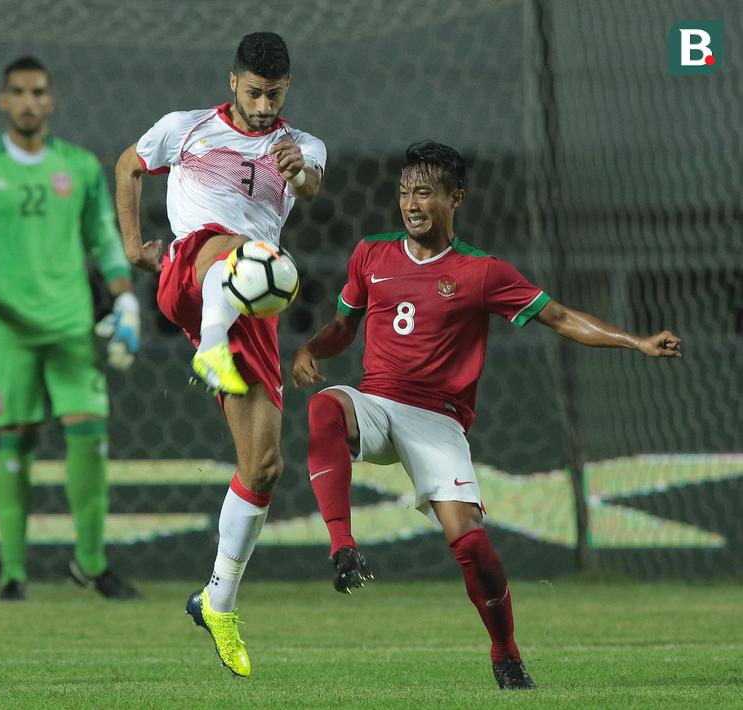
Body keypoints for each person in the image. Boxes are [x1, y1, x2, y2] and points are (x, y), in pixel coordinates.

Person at [292, 141, 681, 689]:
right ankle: (342, 546)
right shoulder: (370, 254)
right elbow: (343, 327)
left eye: (424, 193)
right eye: (404, 192)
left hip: (437, 420)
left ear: (456, 198)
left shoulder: (482, 272)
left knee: (471, 544)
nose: (410, 203)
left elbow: (564, 318)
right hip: (376, 403)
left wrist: (635, 341)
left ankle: (506, 651)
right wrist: (311, 348)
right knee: (325, 408)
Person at [114, 32, 326, 677]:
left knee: (263, 466)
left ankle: (219, 600)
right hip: (191, 265)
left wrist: (302, 174)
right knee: (238, 245)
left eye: (276, 93)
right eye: (255, 91)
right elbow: (128, 164)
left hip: (251, 308)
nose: (264, 105)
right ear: (232, 82)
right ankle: (208, 347)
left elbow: (313, 186)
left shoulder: (302, 146)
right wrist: (130, 246)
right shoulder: (186, 129)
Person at [0, 56, 141, 601]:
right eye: (18, 91)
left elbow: (103, 239)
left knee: (89, 437)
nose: (27, 101)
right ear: (3, 99)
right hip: (4, 328)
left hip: (70, 325)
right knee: (14, 445)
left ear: (51, 100)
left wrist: (126, 304)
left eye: (37, 91)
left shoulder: (81, 167)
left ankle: (91, 564)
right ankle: (13, 573)